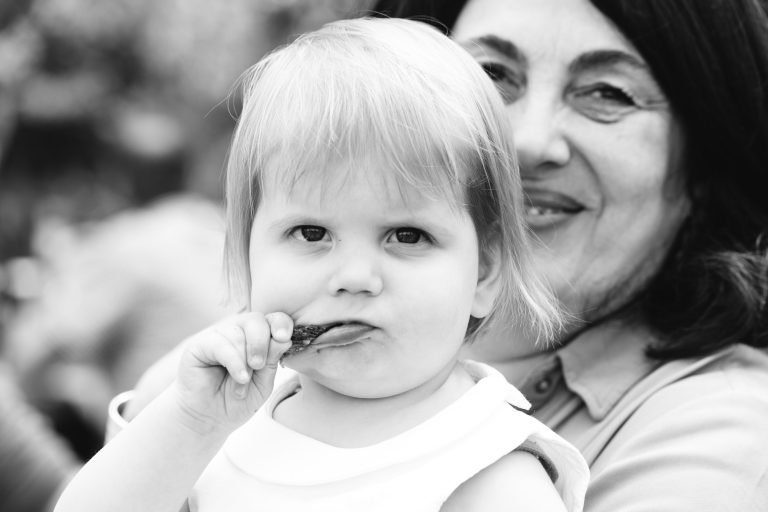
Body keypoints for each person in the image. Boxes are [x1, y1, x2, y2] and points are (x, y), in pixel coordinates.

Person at [53, 17, 589, 512]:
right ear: (246, 256)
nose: (355, 277)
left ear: (484, 273)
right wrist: (190, 422)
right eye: (311, 233)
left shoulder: (488, 474)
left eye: (407, 235)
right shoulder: (222, 417)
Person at [367, 0, 768, 510]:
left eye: (607, 92)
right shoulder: (289, 367)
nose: (528, 141)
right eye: (490, 73)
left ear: (705, 164)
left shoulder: (718, 442)